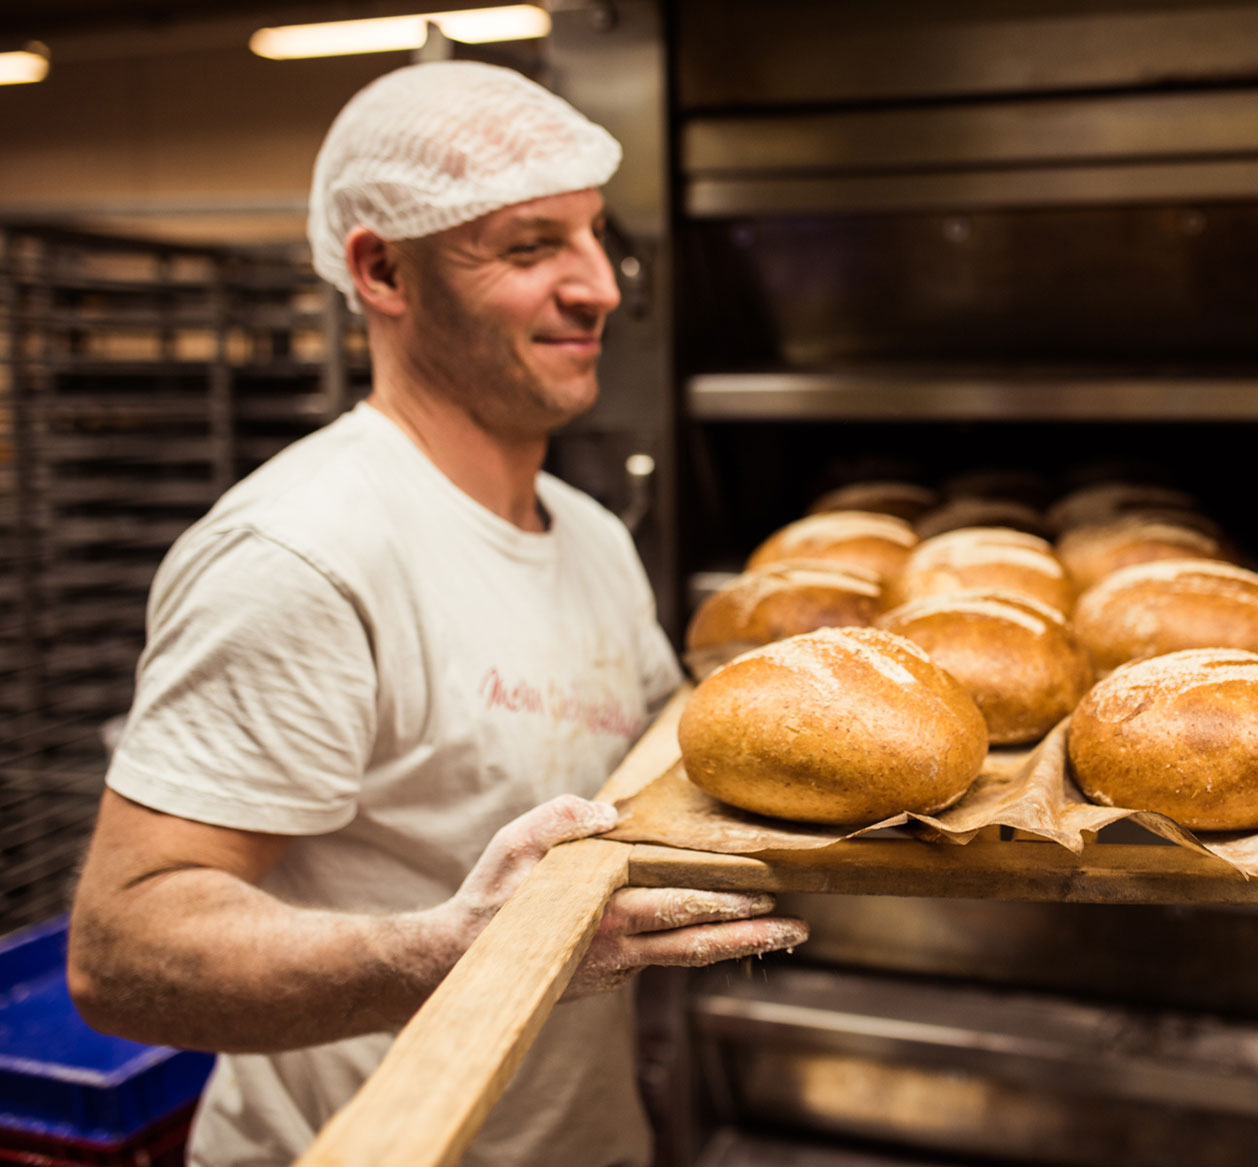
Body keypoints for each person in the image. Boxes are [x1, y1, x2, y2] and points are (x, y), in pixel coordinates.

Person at [66, 60, 807, 1167]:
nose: (598, 285)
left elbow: (662, 791)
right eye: (528, 245)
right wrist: (442, 950)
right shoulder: (304, 553)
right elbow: (123, 950)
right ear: (382, 271)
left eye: (596, 235)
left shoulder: (589, 532)